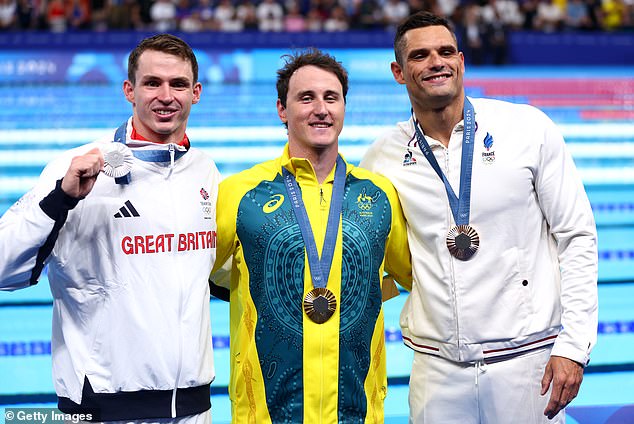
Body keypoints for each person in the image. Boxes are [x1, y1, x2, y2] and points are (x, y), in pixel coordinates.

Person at [360, 11, 598, 424]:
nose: (436, 62)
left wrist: (574, 346)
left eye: (445, 51)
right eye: (420, 55)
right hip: (436, 371)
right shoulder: (382, 157)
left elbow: (576, 235)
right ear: (399, 72)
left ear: (462, 61)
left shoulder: (526, 128)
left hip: (527, 363)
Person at [0, 34, 220, 422]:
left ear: (196, 93)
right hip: (103, 406)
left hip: (192, 407)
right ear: (129, 91)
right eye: (152, 83)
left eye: (178, 84)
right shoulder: (76, 167)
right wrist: (61, 198)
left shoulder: (204, 171)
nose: (165, 96)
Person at [209, 49, 412, 423]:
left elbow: (414, 275)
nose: (321, 109)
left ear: (343, 108)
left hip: (359, 413)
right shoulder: (240, 193)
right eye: (306, 98)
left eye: (330, 98)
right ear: (282, 110)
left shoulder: (380, 194)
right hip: (265, 415)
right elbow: (193, 274)